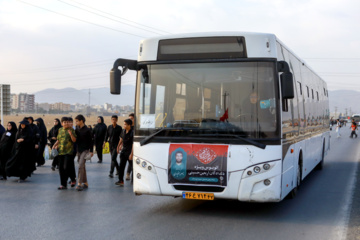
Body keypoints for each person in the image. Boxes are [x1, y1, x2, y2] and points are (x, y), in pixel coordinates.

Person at [52, 117, 77, 190]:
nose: (66, 123)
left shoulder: (71, 129)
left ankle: (73, 179)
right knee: (61, 169)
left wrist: (71, 134)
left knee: (66, 167)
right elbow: (59, 139)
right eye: (64, 122)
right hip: (61, 152)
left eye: (67, 122)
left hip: (69, 152)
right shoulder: (60, 130)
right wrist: (54, 145)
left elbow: (74, 140)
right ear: (62, 123)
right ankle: (63, 184)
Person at [74, 115, 93, 191]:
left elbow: (91, 141)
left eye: (77, 121)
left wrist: (91, 151)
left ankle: (79, 183)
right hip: (79, 150)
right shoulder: (76, 129)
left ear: (81, 121)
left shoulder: (87, 130)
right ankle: (85, 182)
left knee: (80, 165)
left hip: (85, 150)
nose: (76, 122)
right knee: (82, 166)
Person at [115, 119, 134, 186]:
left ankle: (134, 180)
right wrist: (118, 146)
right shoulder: (123, 131)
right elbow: (121, 139)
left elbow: (133, 144)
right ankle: (121, 181)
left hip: (129, 152)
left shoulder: (132, 133)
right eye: (124, 124)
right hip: (123, 151)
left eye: (125, 124)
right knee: (121, 167)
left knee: (133, 167)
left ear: (129, 125)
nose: (124, 125)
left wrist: (131, 154)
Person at [67, 117, 77, 186]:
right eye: (67, 122)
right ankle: (72, 178)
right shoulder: (64, 129)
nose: (68, 123)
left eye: (70, 122)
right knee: (69, 164)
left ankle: (73, 178)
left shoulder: (74, 129)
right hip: (66, 150)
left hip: (73, 149)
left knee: (70, 164)